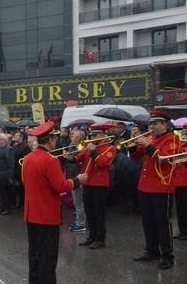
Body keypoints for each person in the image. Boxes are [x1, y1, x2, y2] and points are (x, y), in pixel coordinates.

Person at [22, 121, 87, 284]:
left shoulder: (28, 158)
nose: (56, 141)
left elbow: (25, 181)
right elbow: (60, 186)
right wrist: (77, 180)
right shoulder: (50, 160)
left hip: (31, 213)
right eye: (54, 138)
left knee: (34, 254)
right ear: (50, 140)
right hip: (46, 215)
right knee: (48, 256)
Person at [129, 111, 182, 269]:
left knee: (162, 222)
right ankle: (152, 251)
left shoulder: (173, 139)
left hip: (161, 186)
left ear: (164, 125)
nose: (151, 127)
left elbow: (163, 159)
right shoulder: (151, 138)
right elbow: (135, 156)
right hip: (145, 186)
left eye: (155, 124)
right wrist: (132, 146)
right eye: (151, 124)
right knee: (148, 221)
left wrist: (147, 144)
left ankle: (167, 255)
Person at [65, 124, 116, 249]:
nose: (92, 137)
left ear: (103, 136)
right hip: (87, 182)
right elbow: (77, 159)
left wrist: (93, 150)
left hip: (100, 184)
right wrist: (69, 157)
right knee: (89, 211)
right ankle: (92, 236)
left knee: (99, 212)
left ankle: (100, 239)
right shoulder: (88, 148)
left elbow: (102, 162)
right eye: (92, 135)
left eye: (95, 135)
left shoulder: (110, 149)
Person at [0, 133, 14, 215]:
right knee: (1, 192)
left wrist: (9, 176)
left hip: (4, 175)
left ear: (2, 140)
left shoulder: (8, 149)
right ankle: (2, 207)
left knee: (6, 192)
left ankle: (7, 208)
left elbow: (11, 163)